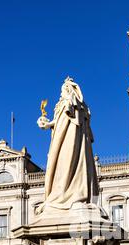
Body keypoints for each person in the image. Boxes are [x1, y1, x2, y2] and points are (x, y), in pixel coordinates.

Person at [37, 77, 99, 214]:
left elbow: (66, 117)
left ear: (68, 90)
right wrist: (49, 124)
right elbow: (63, 120)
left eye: (63, 90)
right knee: (68, 166)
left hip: (68, 142)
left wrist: (48, 124)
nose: (61, 94)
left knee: (66, 166)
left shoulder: (69, 102)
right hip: (70, 141)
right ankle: (68, 194)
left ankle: (67, 196)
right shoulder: (79, 106)